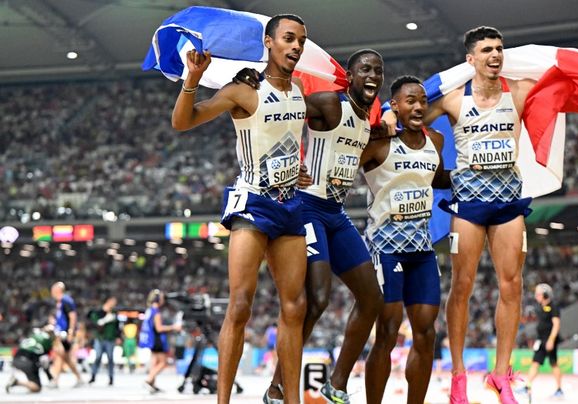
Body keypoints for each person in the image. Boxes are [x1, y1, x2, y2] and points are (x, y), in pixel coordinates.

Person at [384, 26, 578, 404]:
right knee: (462, 286)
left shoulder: (519, 91)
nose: (495, 54)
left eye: (499, 48)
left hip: (507, 202)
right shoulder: (454, 99)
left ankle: (500, 375)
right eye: (486, 49)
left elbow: (571, 98)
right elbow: (413, 114)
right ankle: (458, 376)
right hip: (468, 204)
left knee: (512, 286)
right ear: (470, 59)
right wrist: (389, 116)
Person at [170, 14, 310, 404]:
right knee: (240, 303)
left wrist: (292, 169)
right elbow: (183, 121)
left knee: (295, 306)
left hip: (289, 205)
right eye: (288, 39)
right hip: (253, 202)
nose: (296, 46)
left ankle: (291, 398)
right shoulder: (243, 90)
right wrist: (192, 79)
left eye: (300, 40)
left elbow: (282, 140)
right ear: (268, 42)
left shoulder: (298, 91)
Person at [238, 48, 385, 404]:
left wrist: (386, 131)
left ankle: (335, 385)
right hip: (306, 209)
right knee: (316, 299)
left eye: (378, 71)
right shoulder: (330, 104)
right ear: (349, 76)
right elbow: (284, 109)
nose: (373, 75)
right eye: (365, 69)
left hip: (335, 213)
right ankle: (276, 386)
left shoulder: (368, 121)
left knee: (372, 299)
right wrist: (256, 84)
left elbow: (355, 158)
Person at [362, 76, 450, 404]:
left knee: (426, 333)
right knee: (387, 331)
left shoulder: (437, 141)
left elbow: (439, 177)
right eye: (410, 101)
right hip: (385, 248)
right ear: (394, 106)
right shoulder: (379, 142)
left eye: (423, 101)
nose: (418, 107)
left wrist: (477, 174)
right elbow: (342, 164)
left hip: (422, 250)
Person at [522, 283, 563, 399]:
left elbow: (556, 325)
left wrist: (551, 340)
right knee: (535, 362)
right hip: (541, 340)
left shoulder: (554, 307)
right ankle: (527, 387)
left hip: (550, 340)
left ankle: (559, 390)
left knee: (553, 363)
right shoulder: (540, 307)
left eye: (538, 294)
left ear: (545, 294)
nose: (536, 296)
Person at [138, 289, 182, 393]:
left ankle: (152, 383)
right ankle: (148, 380)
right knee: (163, 362)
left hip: (152, 339)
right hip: (157, 339)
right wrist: (174, 327)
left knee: (155, 362)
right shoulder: (156, 312)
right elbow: (159, 328)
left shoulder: (149, 310)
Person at [49, 281, 83, 388]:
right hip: (61, 332)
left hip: (65, 333)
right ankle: (78, 378)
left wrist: (70, 332)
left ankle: (55, 380)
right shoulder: (59, 302)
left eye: (52, 290)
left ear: (57, 290)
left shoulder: (66, 300)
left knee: (60, 354)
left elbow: (73, 316)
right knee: (65, 357)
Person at [5, 324, 55, 393]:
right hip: (28, 362)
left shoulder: (34, 335)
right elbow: (44, 361)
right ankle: (17, 382)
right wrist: (50, 377)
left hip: (16, 359)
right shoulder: (47, 341)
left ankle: (24, 382)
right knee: (37, 387)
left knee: (33, 375)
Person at [88, 296, 120, 386]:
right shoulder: (99, 312)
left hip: (110, 339)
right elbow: (94, 321)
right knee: (98, 357)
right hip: (100, 338)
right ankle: (93, 376)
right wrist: (105, 318)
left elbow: (117, 327)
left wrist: (118, 336)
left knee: (110, 358)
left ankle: (111, 378)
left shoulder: (114, 313)